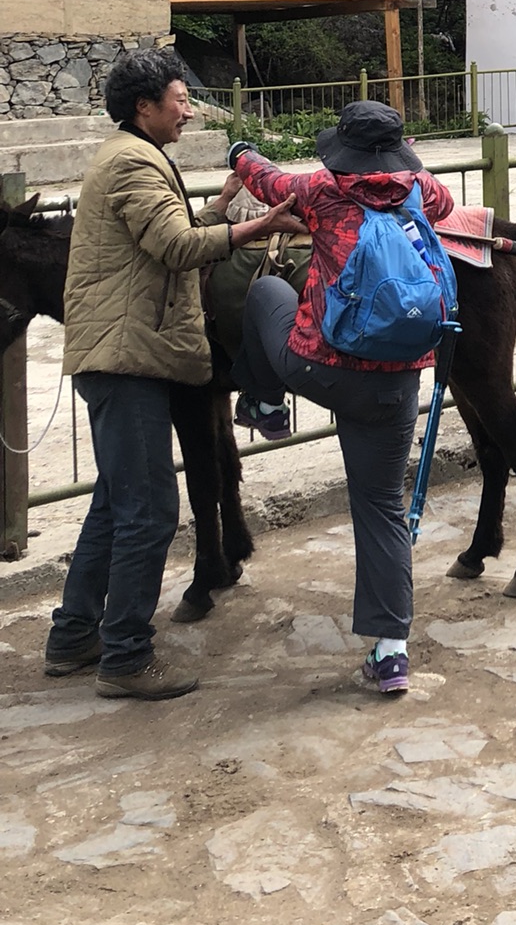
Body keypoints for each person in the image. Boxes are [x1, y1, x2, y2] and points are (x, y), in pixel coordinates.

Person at [44, 48, 299, 699]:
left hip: (124, 355)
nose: (189, 110)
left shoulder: (134, 157)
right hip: (124, 357)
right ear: (144, 107)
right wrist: (262, 225)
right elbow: (177, 248)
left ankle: (75, 636)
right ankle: (126, 657)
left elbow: (171, 232)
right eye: (180, 100)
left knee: (114, 504)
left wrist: (222, 205)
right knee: (150, 509)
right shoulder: (132, 162)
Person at [227, 101, 455, 695]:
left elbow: (267, 180)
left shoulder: (321, 191)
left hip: (322, 368)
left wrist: (238, 153)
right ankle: (391, 654)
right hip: (397, 381)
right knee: (381, 506)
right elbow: (447, 205)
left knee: (268, 292)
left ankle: (268, 406)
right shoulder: (421, 191)